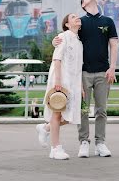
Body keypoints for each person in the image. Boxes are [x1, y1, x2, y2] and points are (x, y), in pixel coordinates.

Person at [53, 0, 118, 158]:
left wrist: (112, 68)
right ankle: (83, 142)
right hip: (83, 73)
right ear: (83, 4)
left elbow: (114, 45)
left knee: (101, 110)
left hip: (103, 72)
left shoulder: (108, 21)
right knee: (82, 109)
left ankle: (100, 143)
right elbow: (68, 37)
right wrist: (55, 40)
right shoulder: (80, 23)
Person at [36, 13, 83, 160]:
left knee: (70, 116)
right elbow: (57, 59)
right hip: (61, 80)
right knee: (57, 113)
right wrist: (58, 80)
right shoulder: (63, 36)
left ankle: (46, 128)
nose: (77, 18)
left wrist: (80, 86)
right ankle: (55, 148)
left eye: (78, 16)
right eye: (73, 17)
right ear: (67, 24)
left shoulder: (79, 42)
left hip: (73, 83)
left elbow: (78, 67)